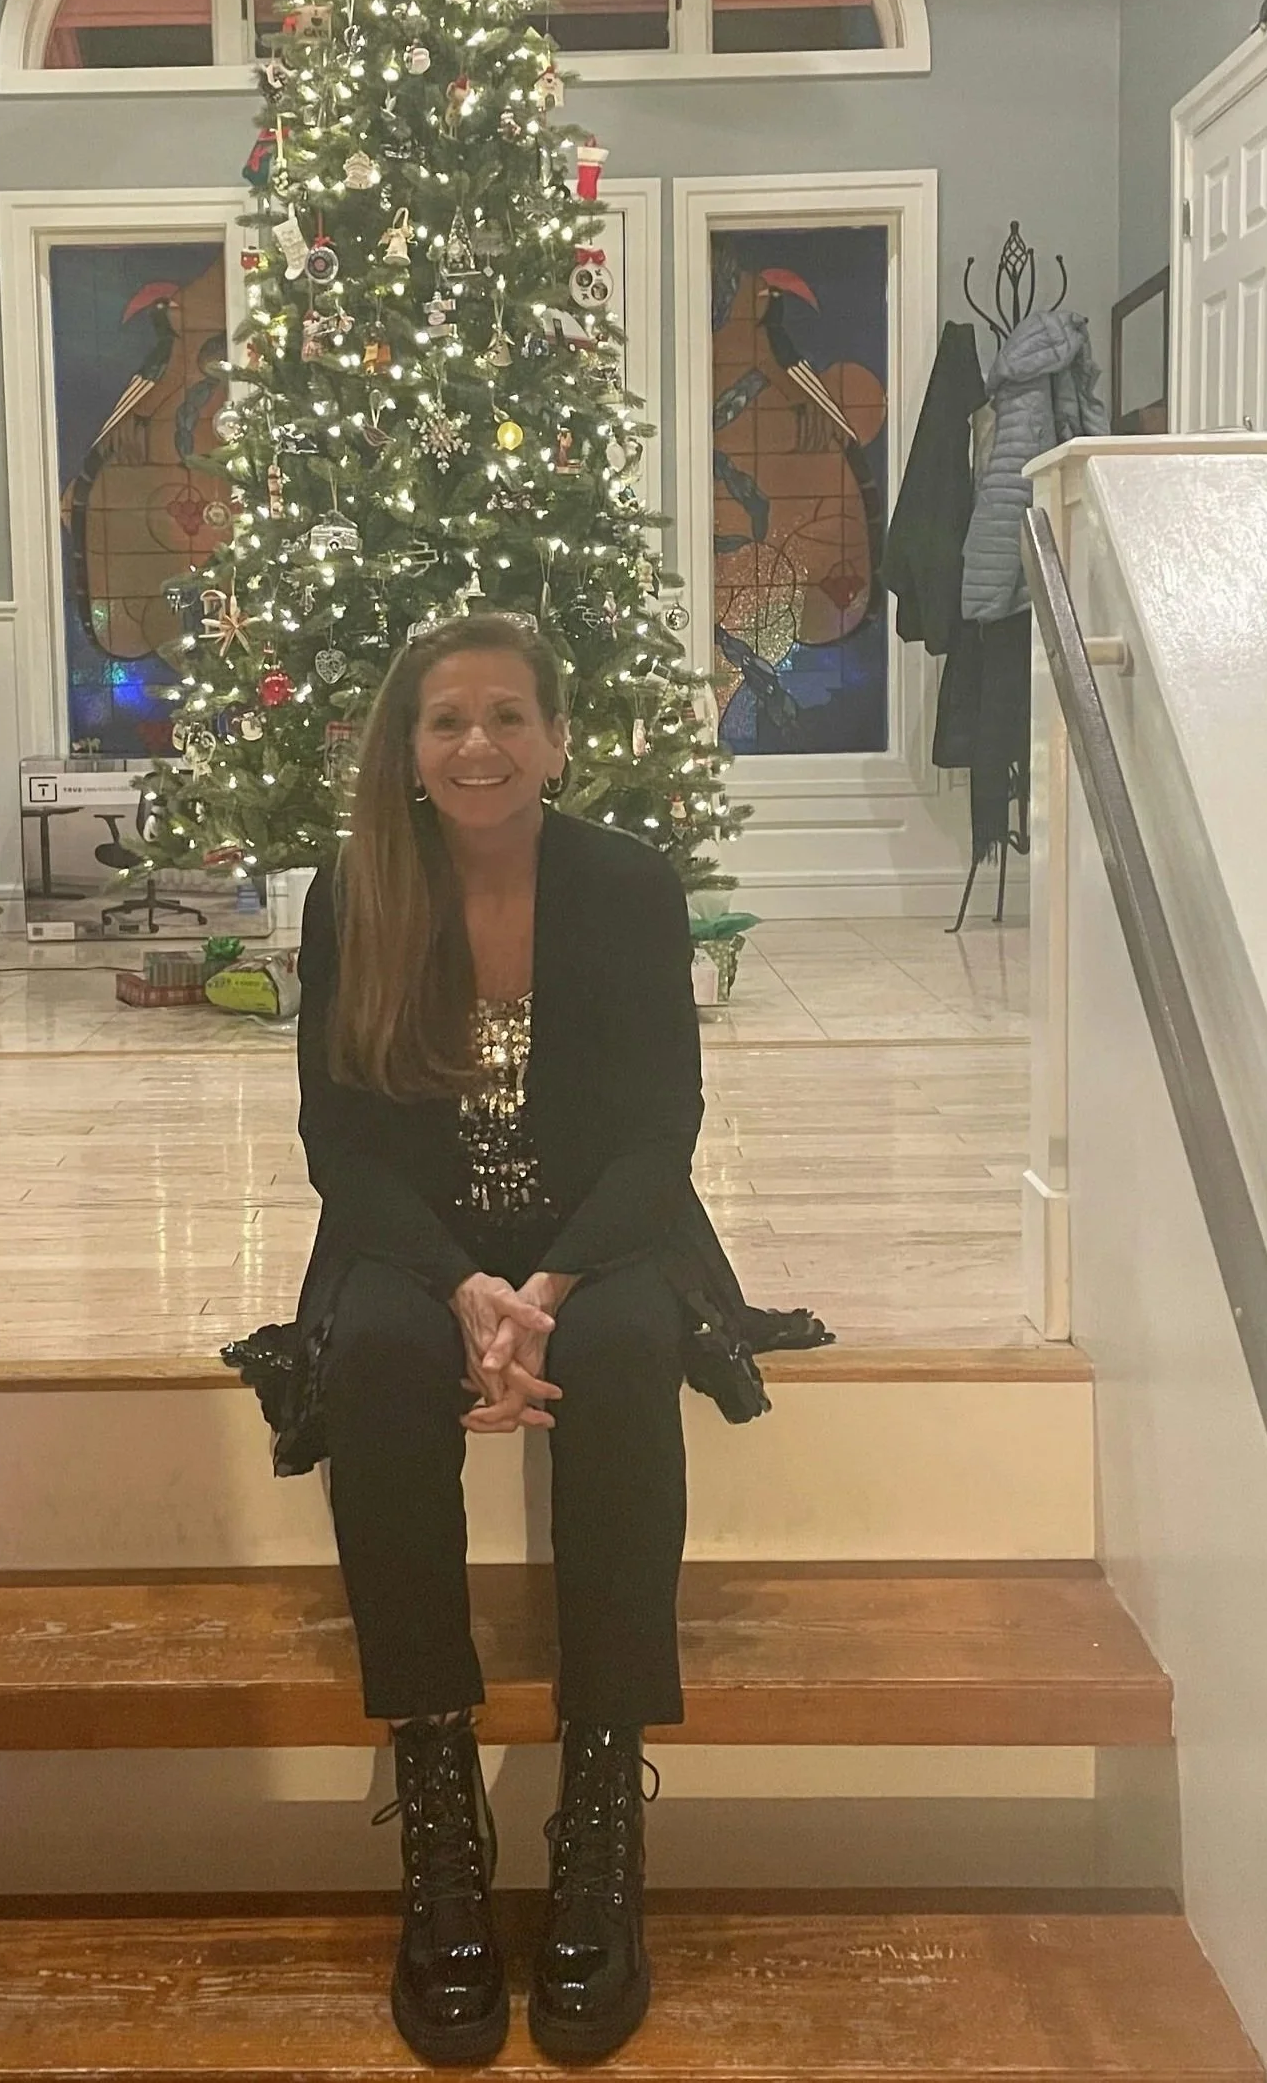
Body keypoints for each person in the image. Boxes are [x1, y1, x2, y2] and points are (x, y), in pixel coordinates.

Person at [223, 611, 826, 2064]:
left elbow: (660, 1129)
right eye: (446, 719)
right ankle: (437, 1795)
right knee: (377, 1360)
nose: (477, 744)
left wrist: (541, 1290)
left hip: (597, 1233)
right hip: (412, 1240)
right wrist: (457, 1289)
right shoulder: (356, 891)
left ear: (557, 741)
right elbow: (339, 1142)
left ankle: (602, 1802)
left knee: (619, 1355)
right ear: (406, 748)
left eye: (507, 716)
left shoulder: (626, 884)